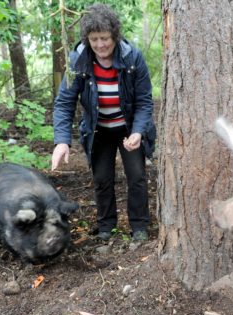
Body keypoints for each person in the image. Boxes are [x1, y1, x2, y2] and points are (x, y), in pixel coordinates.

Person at [51, 3, 156, 242]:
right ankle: (106, 227)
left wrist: (139, 131)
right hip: (98, 129)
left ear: (115, 36)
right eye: (94, 39)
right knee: (101, 178)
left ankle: (139, 226)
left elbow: (144, 101)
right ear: (87, 38)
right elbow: (64, 102)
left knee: (137, 176)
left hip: (127, 128)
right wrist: (61, 142)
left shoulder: (132, 57)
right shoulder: (78, 61)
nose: (100, 45)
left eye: (105, 38)